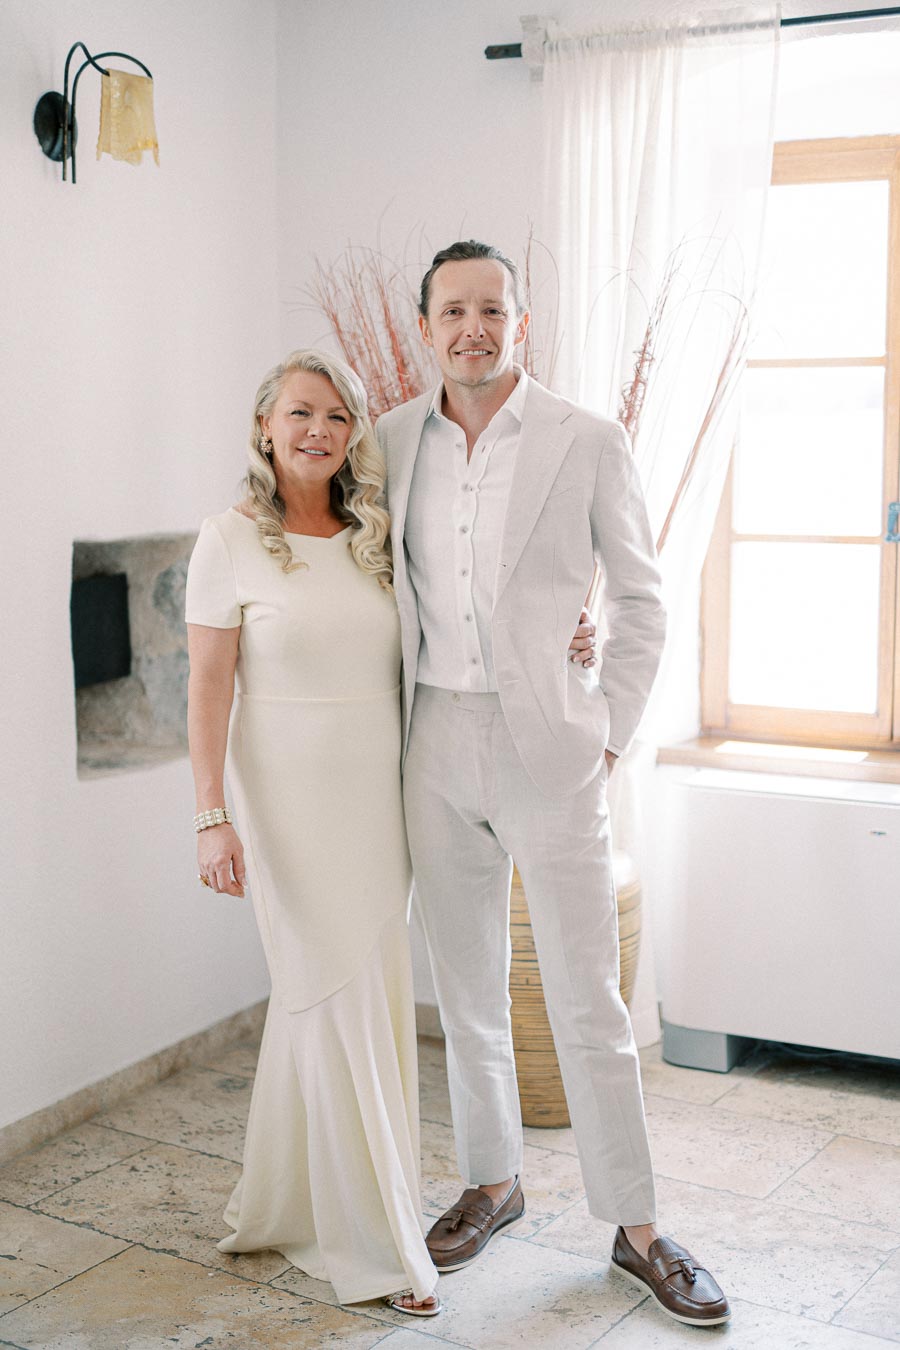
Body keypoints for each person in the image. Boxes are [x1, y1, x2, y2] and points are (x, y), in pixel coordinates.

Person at [375, 241, 731, 1327]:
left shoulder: (587, 438)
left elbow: (643, 600)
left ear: (520, 322)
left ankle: (635, 1229)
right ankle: (493, 1183)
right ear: (424, 325)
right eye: (453, 311)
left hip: (554, 749)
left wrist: (609, 736)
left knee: (589, 999)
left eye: (492, 309)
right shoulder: (388, 440)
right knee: (467, 989)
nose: (472, 328)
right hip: (431, 738)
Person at [184, 349, 441, 1315]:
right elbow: (208, 691)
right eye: (300, 413)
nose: (319, 431)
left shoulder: (375, 534)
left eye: (337, 417)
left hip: (378, 800)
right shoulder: (229, 538)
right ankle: (380, 1246)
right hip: (284, 797)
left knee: (361, 994)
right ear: (264, 426)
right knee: (324, 992)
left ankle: (291, 1204)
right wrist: (212, 818)